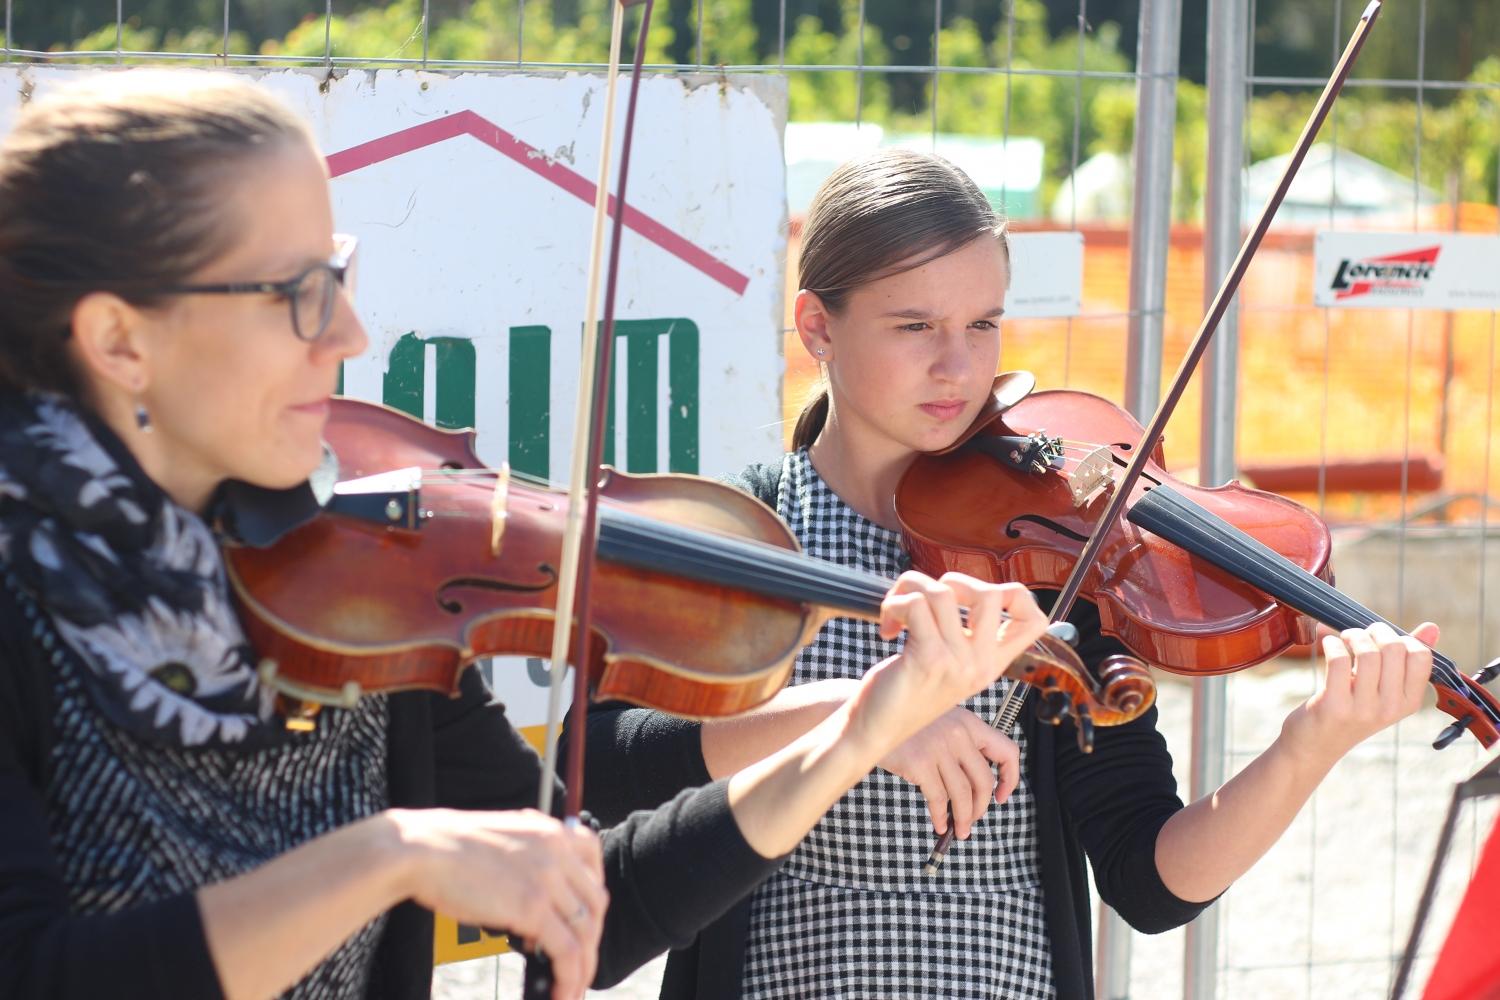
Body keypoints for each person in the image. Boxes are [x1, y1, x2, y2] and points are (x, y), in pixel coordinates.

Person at [0, 74, 1054, 1000]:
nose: (350, 332)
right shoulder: (19, 602)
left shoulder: (354, 580)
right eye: (297, 294)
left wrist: (855, 735)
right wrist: (385, 857)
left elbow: (600, 902)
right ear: (118, 340)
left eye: (339, 275)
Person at [576, 148, 1440, 1000]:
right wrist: (859, 719)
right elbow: (600, 764)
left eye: (983, 324)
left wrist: (1309, 743)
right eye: (915, 326)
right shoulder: (749, 534)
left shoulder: (1049, 561)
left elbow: (1149, 880)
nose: (957, 366)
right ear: (817, 328)